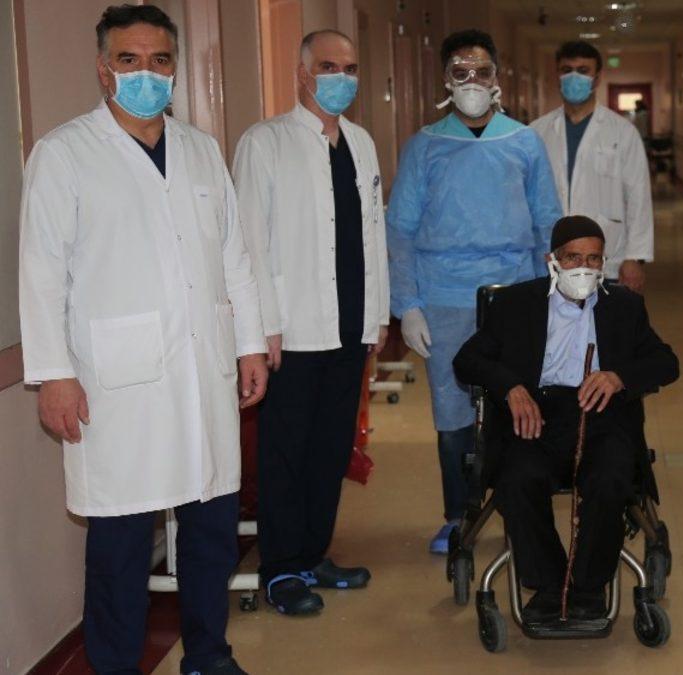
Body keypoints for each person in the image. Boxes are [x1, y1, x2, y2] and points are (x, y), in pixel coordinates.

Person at [18, 5, 266, 673]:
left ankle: (208, 655)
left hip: (203, 368)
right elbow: (41, 271)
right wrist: (53, 373)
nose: (146, 73)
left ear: (175, 69)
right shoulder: (64, 153)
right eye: (129, 60)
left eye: (160, 60)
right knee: (121, 540)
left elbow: (234, 257)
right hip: (116, 383)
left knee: (211, 527)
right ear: (105, 70)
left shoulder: (201, 149)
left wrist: (248, 342)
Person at [452, 216, 679, 621]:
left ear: (604, 262)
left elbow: (666, 362)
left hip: (601, 416)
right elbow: (467, 360)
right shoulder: (516, 304)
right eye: (573, 258)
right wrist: (510, 387)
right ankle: (549, 585)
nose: (583, 268)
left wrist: (618, 376)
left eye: (593, 259)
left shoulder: (624, 307)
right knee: (518, 480)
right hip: (535, 416)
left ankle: (588, 589)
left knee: (610, 479)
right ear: (552, 260)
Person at [232, 30, 389, 615]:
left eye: (349, 68)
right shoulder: (265, 143)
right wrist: (262, 327)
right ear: (302, 74)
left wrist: (377, 317)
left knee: (330, 449)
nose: (341, 78)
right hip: (291, 332)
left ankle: (313, 553)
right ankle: (280, 568)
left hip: (349, 326)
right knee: (286, 453)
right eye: (328, 67)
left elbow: (372, 236)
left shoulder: (361, 143)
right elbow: (248, 241)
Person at [387, 29, 562, 554]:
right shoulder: (425, 146)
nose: (471, 81)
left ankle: (518, 508)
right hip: (445, 295)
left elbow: (547, 222)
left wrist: (551, 298)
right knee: (453, 410)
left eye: (481, 71)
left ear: (496, 77)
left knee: (518, 401)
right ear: (445, 79)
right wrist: (408, 305)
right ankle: (457, 515)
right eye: (460, 72)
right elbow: (401, 230)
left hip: (516, 290)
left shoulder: (524, 143)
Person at [530, 40, 654, 292]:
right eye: (567, 70)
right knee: (552, 317)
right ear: (557, 76)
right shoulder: (537, 132)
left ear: (597, 78)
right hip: (551, 258)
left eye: (583, 70)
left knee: (603, 317)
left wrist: (635, 257)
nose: (574, 77)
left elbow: (638, 196)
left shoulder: (622, 132)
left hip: (608, 257)